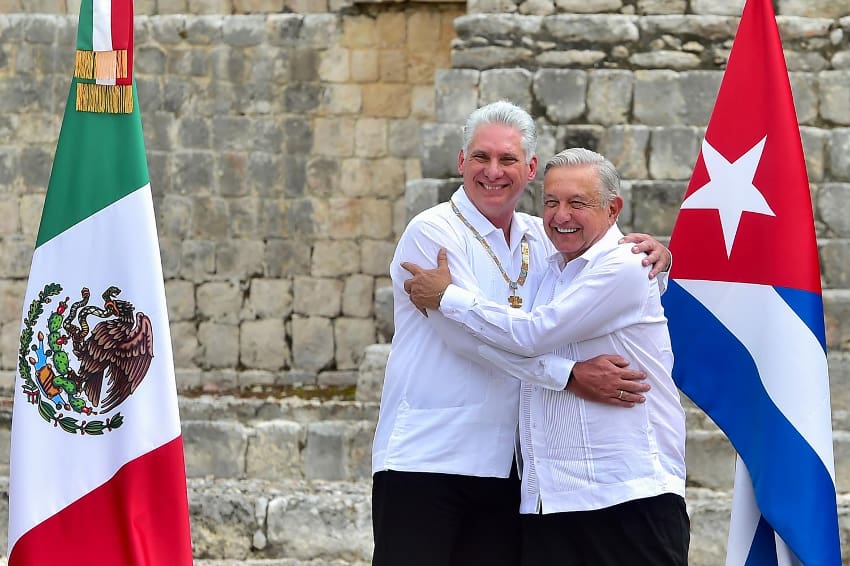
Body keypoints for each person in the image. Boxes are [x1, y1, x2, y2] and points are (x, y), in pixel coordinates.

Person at [371, 101, 671, 566]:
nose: (494, 172)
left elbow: (603, 260)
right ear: (460, 162)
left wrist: (659, 258)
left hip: (509, 466)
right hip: (428, 458)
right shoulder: (431, 231)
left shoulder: (543, 238)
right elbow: (467, 342)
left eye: (507, 160)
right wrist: (568, 376)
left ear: (529, 168)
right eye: (481, 158)